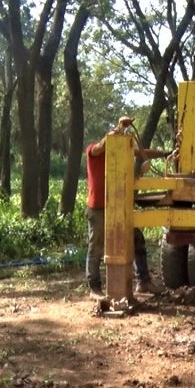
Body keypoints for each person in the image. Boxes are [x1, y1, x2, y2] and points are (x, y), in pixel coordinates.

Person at [85, 116, 162, 298]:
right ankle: (94, 287)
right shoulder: (93, 150)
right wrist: (116, 131)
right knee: (96, 246)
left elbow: (141, 153)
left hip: (120, 206)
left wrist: (165, 153)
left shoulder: (121, 153)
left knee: (137, 240)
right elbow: (100, 147)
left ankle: (143, 281)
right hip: (98, 208)